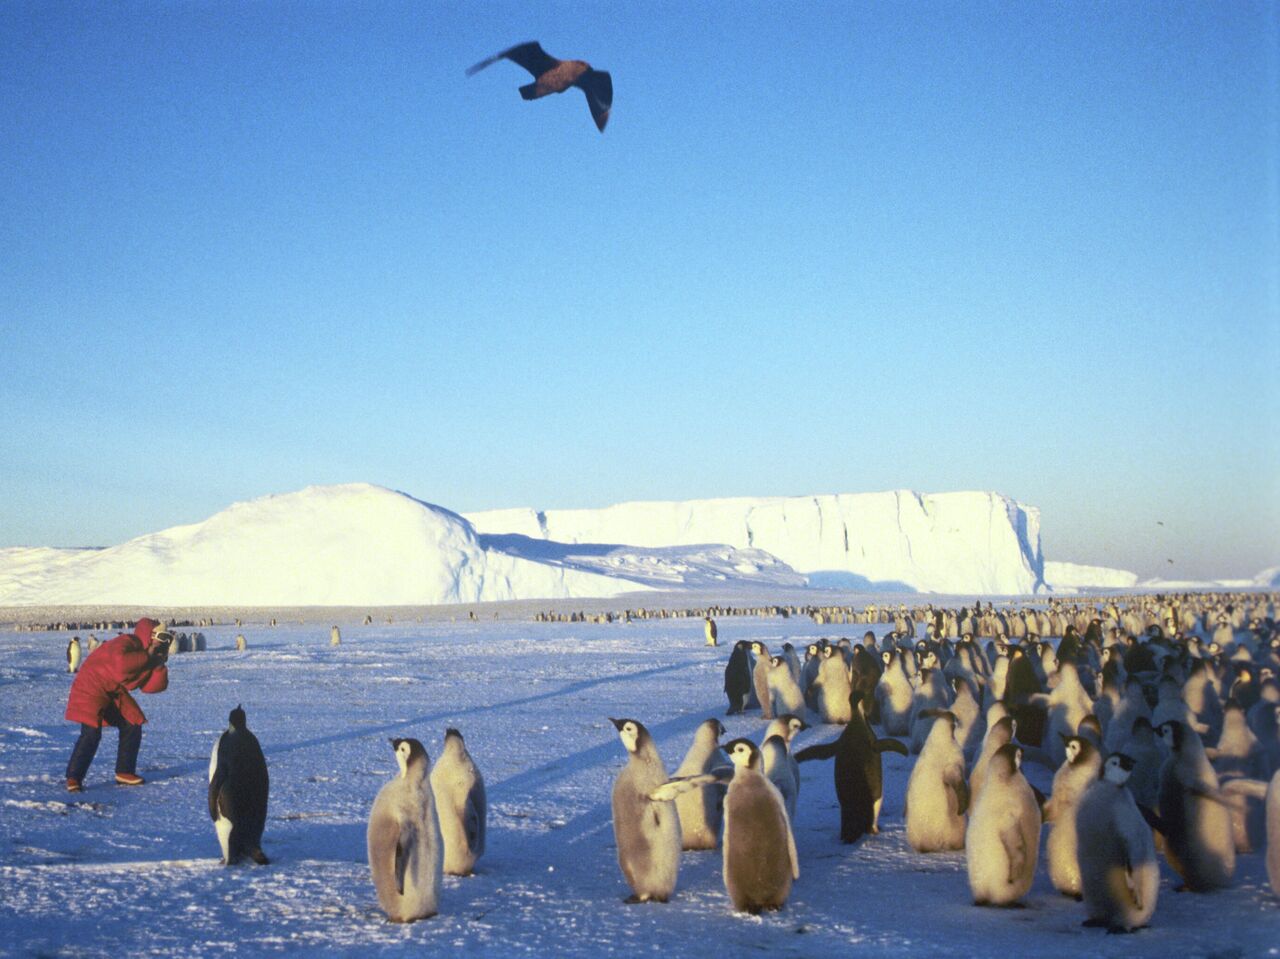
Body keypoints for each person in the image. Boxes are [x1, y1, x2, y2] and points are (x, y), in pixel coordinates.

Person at [64, 617, 172, 791]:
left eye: (167, 637)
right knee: (91, 733)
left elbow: (150, 688)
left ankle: (124, 771)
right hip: (90, 686)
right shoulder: (126, 641)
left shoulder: (145, 654)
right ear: (149, 634)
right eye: (160, 635)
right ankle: (73, 777)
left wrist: (158, 663)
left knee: (133, 722)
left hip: (112, 691)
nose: (163, 640)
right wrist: (147, 655)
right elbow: (120, 667)